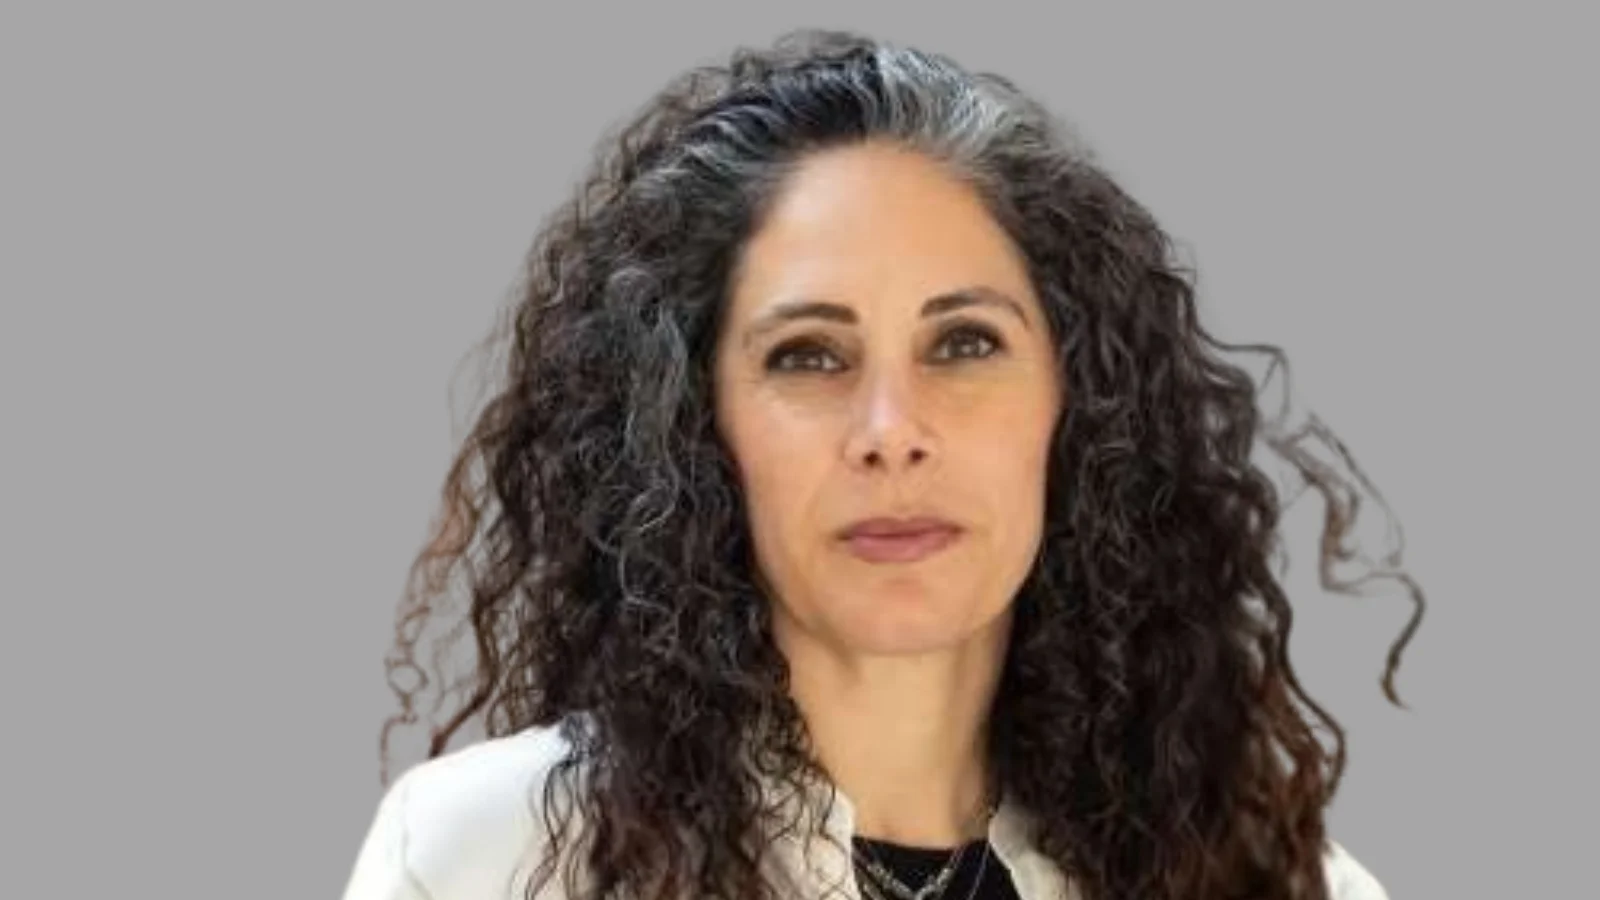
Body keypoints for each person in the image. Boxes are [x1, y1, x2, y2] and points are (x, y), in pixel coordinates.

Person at [340, 28, 1424, 900]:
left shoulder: (1280, 884)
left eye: (964, 344)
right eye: (808, 355)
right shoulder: (485, 860)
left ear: (1078, 405)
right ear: (695, 426)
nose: (891, 428)